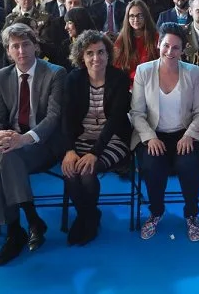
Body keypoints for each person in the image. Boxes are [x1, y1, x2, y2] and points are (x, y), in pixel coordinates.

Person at [0, 23, 67, 266]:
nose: (21, 50)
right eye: (15, 46)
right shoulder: (1, 76)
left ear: (36, 46)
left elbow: (53, 118)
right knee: (2, 159)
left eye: (25, 44)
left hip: (42, 143)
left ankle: (17, 229)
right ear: (8, 51)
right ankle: (30, 223)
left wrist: (23, 139)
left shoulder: (55, 73)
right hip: (12, 144)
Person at [130, 22, 199, 241]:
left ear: (183, 50)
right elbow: (136, 113)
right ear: (158, 45)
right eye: (166, 46)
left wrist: (190, 134)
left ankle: (191, 214)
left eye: (176, 47)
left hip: (185, 133)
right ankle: (156, 212)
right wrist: (150, 137)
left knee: (188, 164)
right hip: (154, 134)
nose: (170, 51)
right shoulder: (144, 71)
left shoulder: (193, 72)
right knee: (153, 165)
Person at [61, 30, 131, 245]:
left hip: (113, 139)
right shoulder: (73, 79)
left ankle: (87, 220)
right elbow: (65, 118)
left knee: (87, 171)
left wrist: (94, 153)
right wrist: (69, 151)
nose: (96, 58)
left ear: (108, 54)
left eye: (101, 52)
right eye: (90, 53)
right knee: (71, 171)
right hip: (81, 138)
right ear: (82, 56)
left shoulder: (119, 78)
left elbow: (115, 121)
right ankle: (88, 216)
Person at [113, 0, 159, 85]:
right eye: (132, 16)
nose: (136, 19)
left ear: (146, 16)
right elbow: (116, 66)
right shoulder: (121, 39)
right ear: (127, 18)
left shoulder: (156, 37)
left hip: (150, 83)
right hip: (126, 85)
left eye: (139, 15)